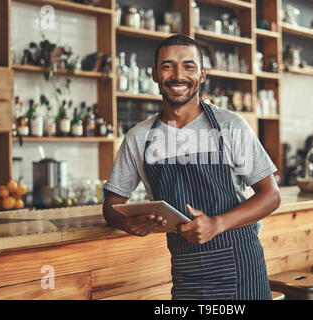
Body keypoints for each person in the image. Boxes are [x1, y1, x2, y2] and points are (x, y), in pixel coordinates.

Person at [103, 35, 281, 300]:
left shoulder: (231, 126)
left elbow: (271, 196)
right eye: (168, 66)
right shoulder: (139, 138)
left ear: (202, 74)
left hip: (241, 267)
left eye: (188, 66)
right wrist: (127, 221)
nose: (178, 76)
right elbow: (111, 206)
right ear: (154, 74)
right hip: (186, 273)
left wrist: (217, 224)